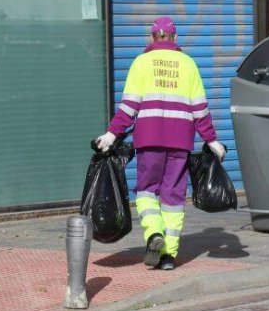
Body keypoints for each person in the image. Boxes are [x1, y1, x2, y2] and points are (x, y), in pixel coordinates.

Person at [93, 17, 225, 271]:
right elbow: (200, 109)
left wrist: (111, 135)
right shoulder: (188, 64)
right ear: (175, 38)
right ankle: (169, 256)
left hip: (149, 139)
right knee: (173, 195)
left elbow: (129, 107)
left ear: (152, 38)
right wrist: (212, 140)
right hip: (180, 142)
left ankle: (154, 234)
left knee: (146, 190)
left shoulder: (141, 63)